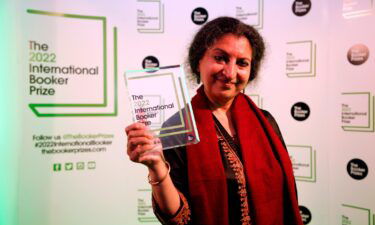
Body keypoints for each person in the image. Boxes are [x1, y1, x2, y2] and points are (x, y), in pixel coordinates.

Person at [126, 17, 303, 225]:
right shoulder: (178, 127)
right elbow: (179, 218)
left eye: (242, 63)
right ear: (198, 60)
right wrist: (156, 167)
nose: (230, 73)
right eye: (220, 58)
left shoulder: (266, 122)